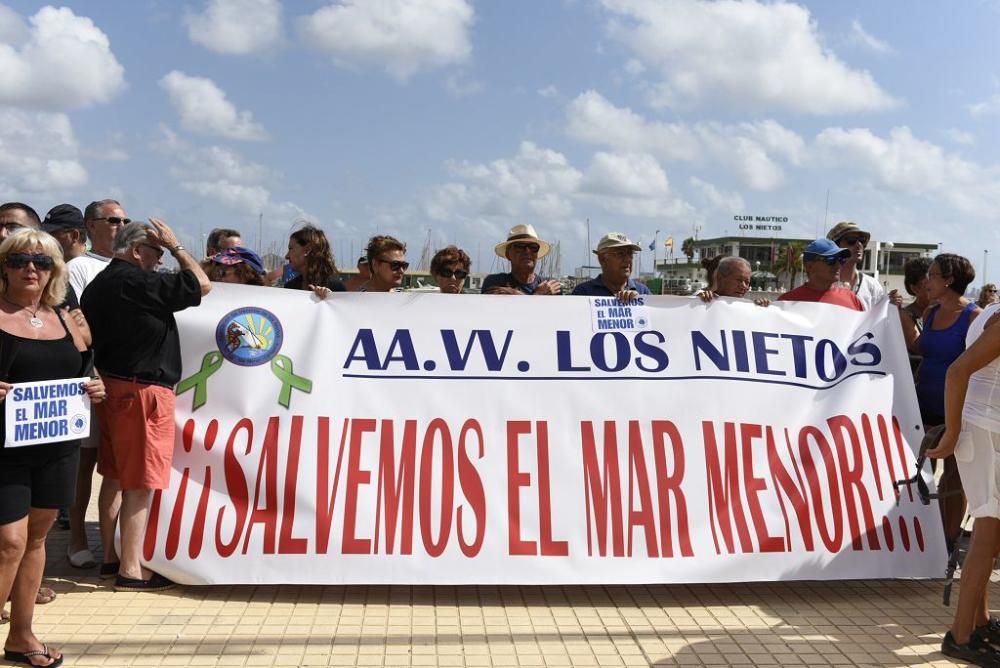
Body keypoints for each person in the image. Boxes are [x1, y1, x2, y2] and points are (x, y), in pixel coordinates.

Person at [81, 219, 210, 591]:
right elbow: (201, 284)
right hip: (142, 393)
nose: (160, 261)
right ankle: (131, 570)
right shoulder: (136, 281)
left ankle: (110, 559)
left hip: (113, 388)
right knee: (140, 484)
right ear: (138, 251)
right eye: (156, 253)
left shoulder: (98, 284)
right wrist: (178, 246)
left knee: (115, 476)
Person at [0, 229, 104, 668]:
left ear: (54, 271)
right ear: (3, 266)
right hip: (4, 449)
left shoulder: (67, 316)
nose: (31, 269)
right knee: (9, 542)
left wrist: (95, 386)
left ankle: (22, 636)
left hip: (58, 446)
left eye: (42, 263)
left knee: (37, 540)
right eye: (21, 259)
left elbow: (85, 367)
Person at [927, 301, 1000, 666]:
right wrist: (952, 431)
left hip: (986, 430)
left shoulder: (989, 309)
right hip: (987, 433)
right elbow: (957, 371)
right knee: (987, 533)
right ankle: (960, 635)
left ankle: (980, 622)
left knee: (989, 535)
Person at [63, 199, 127, 577]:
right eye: (112, 220)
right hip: (92, 379)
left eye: (124, 219)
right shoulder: (78, 268)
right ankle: (76, 539)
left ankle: (116, 540)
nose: (119, 225)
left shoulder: (129, 264)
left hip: (124, 380)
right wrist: (92, 369)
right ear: (91, 225)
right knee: (83, 463)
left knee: (118, 468)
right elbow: (73, 321)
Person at [906, 253, 980, 552]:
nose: (928, 281)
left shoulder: (974, 317)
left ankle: (947, 545)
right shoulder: (931, 313)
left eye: (933, 275)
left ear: (948, 280)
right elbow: (919, 351)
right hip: (924, 404)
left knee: (953, 479)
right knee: (921, 473)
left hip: (957, 410)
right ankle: (925, 540)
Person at [777, 239, 863, 311]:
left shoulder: (852, 300)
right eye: (831, 259)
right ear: (809, 266)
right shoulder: (785, 303)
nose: (838, 265)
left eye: (841, 260)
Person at [482, 224, 561, 295]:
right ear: (508, 254)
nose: (527, 251)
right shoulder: (494, 282)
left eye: (533, 247)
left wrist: (516, 295)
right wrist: (537, 295)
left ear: (537, 254)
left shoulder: (551, 286)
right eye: (519, 246)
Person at [572, 233, 650, 302]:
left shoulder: (643, 291)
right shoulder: (583, 292)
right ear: (602, 259)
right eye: (620, 254)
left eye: (630, 254)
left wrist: (639, 301)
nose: (628, 259)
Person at [827, 221, 885, 309]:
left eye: (862, 241)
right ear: (835, 246)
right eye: (851, 240)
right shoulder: (824, 284)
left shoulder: (872, 286)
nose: (859, 245)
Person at [283, 225, 346, 298]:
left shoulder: (335, 286)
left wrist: (331, 298)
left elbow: (345, 309)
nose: (286, 256)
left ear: (307, 250)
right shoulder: (290, 287)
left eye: (290, 248)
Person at [900, 257, 933, 375]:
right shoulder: (905, 315)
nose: (934, 287)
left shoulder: (944, 311)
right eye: (928, 284)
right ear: (914, 288)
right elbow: (918, 348)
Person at [697, 256, 771, 306]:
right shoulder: (703, 300)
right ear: (720, 278)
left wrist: (760, 309)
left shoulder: (748, 307)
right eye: (739, 280)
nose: (743, 286)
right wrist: (697, 301)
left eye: (747, 282)